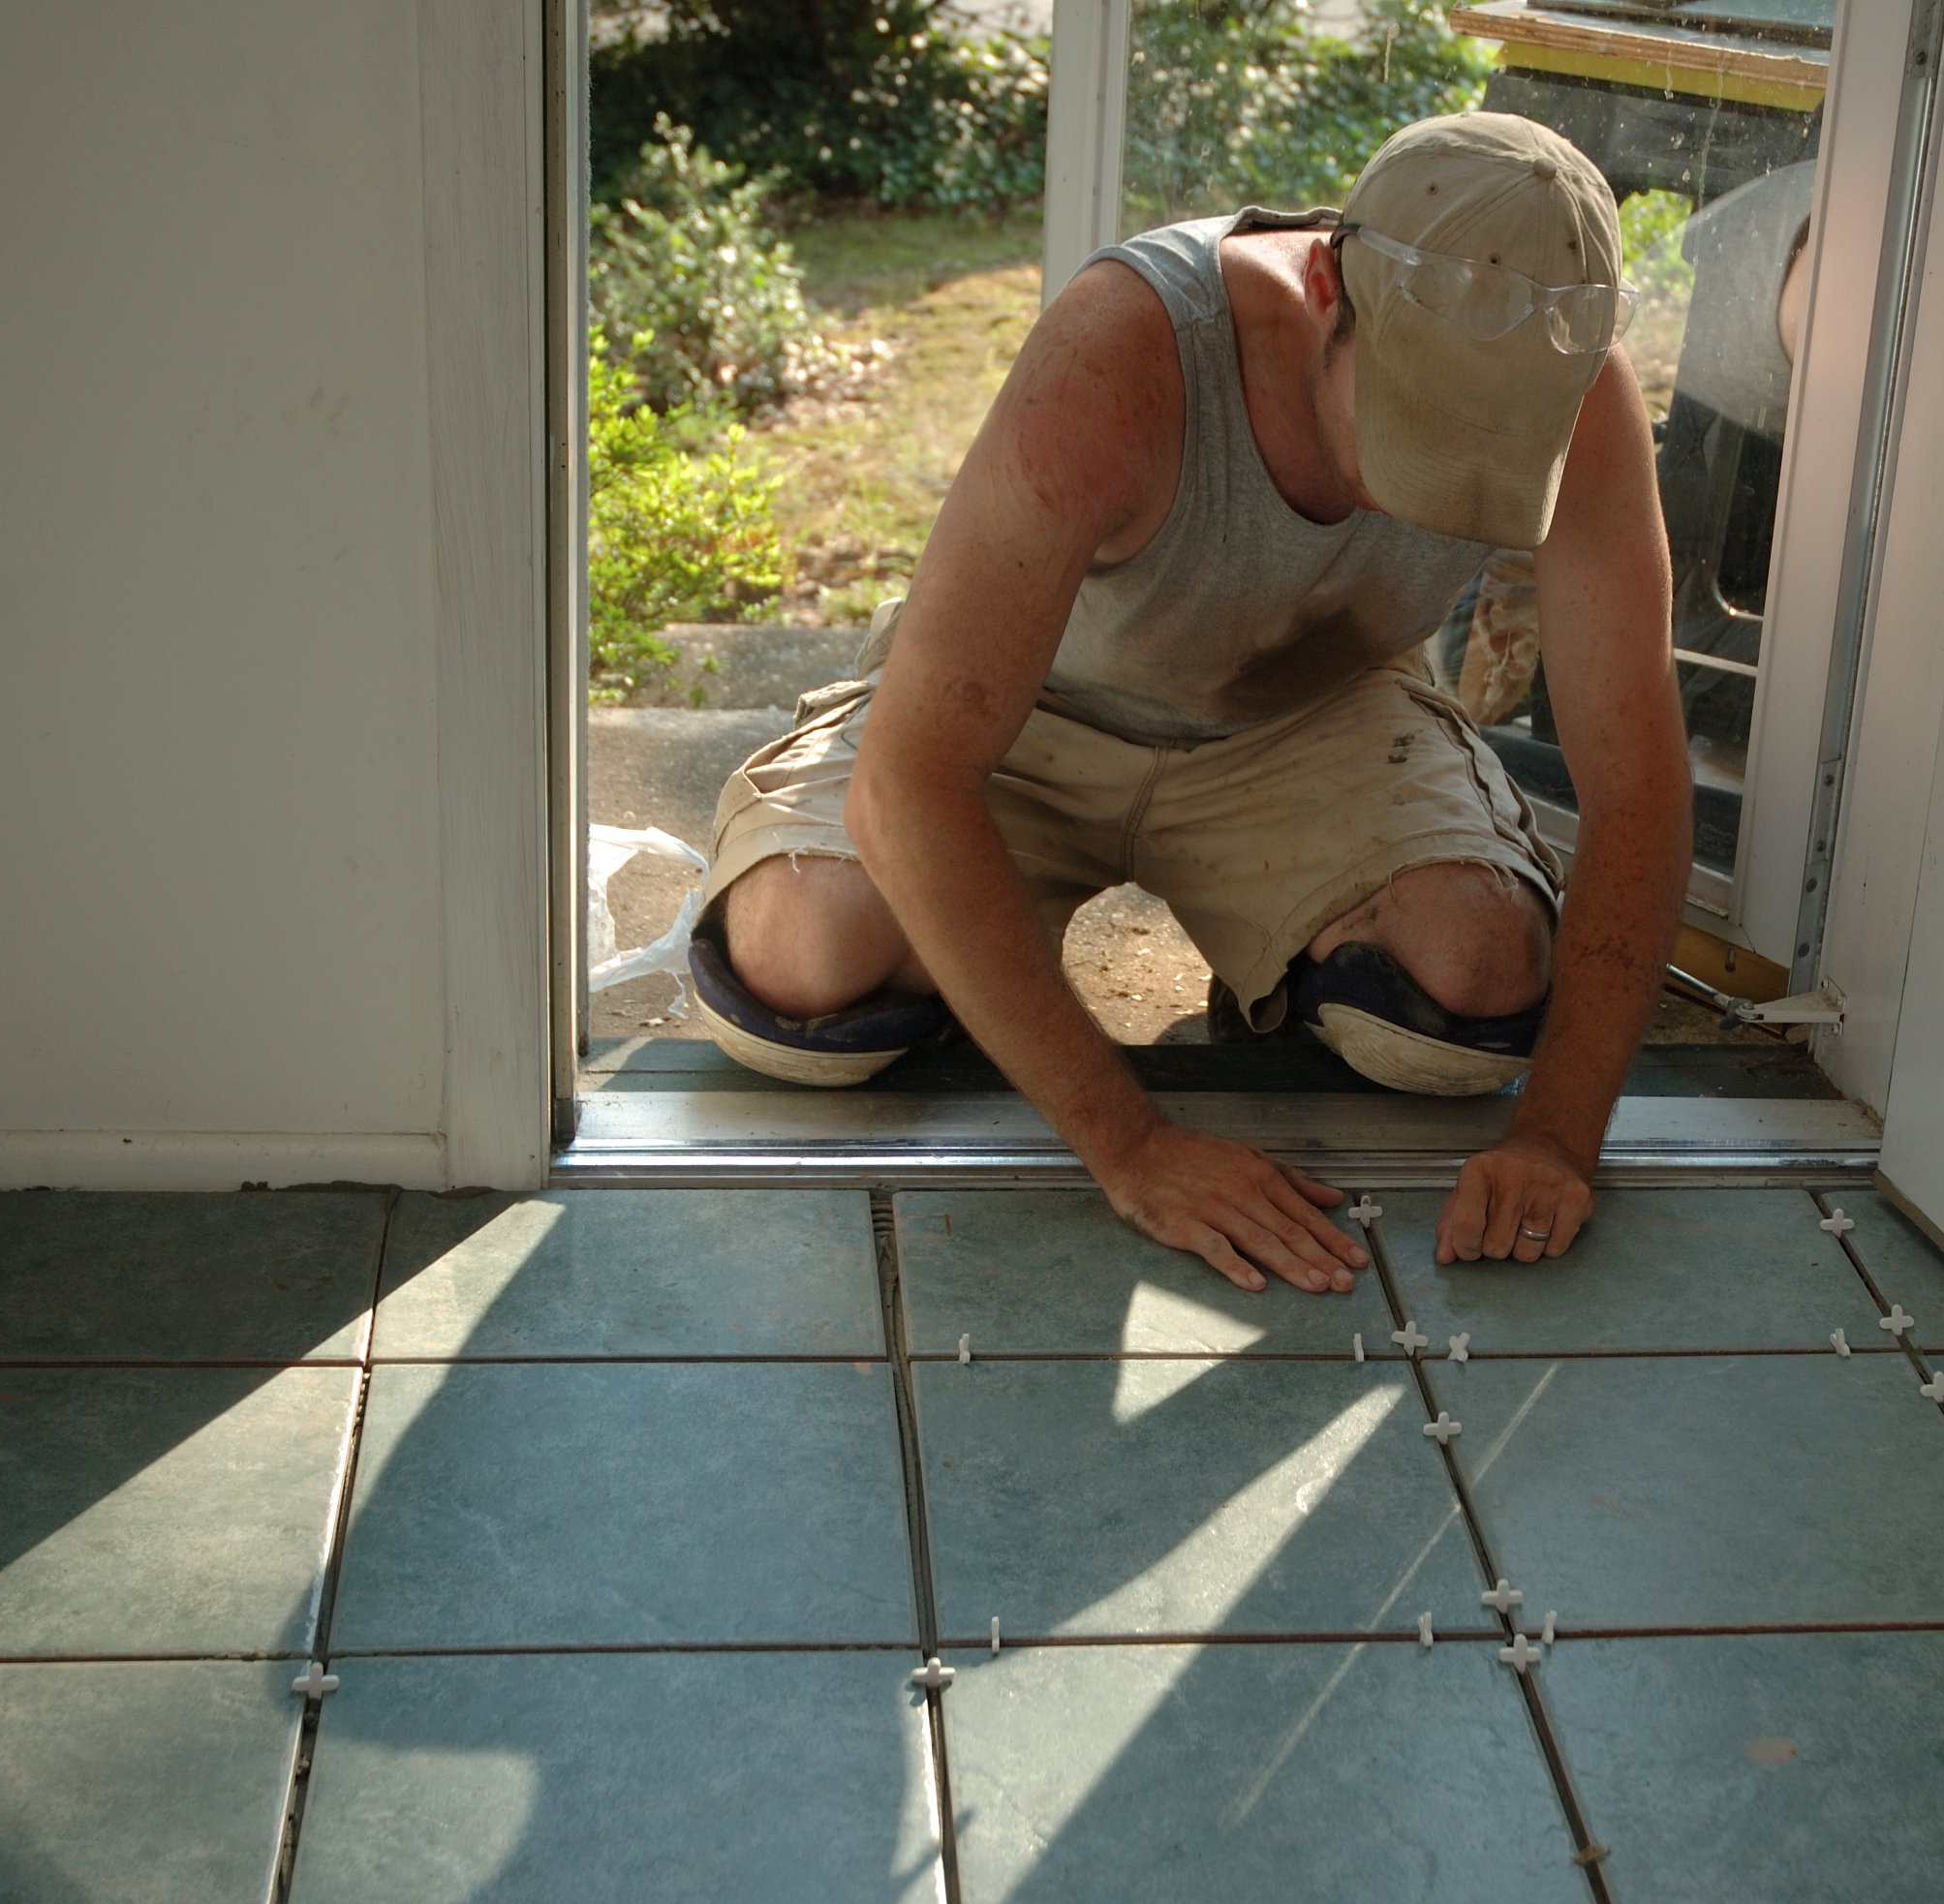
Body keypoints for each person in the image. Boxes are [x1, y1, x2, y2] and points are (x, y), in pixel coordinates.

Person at [686, 112, 1804, 1294]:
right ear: (1327, 280)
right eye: (1409, 432)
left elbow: (1633, 781)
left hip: (1310, 713)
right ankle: (966, 971)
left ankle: (1280, 978)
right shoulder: (1123, 349)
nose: (1426, 488)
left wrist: (1556, 1135)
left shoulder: (1576, 387)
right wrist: (1131, 1145)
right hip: (1027, 713)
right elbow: (913, 776)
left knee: (1468, 995)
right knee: (801, 972)